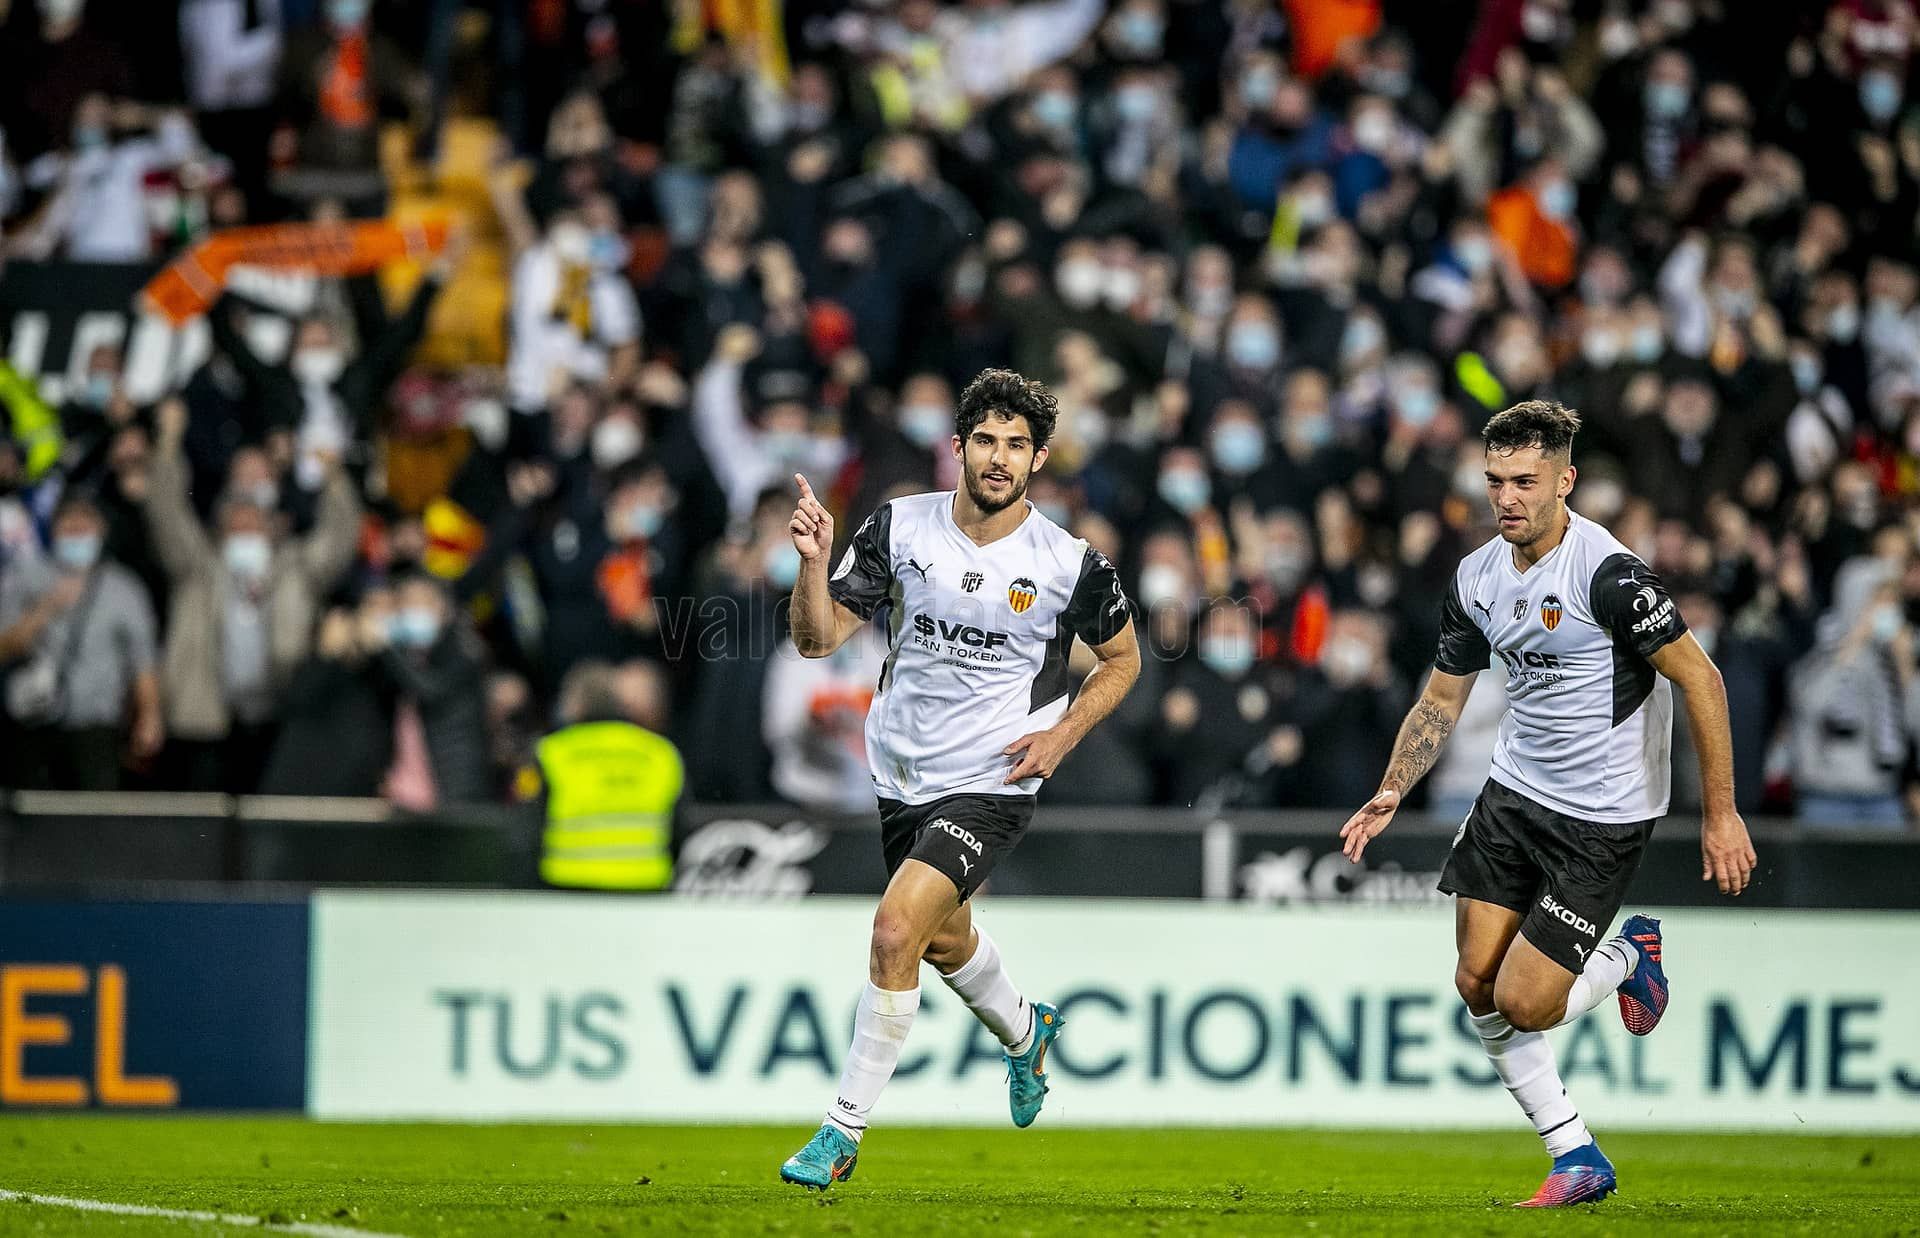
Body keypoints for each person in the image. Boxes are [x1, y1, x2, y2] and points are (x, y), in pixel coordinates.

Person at [1335, 400, 1757, 1207]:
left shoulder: (1611, 575)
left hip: (1602, 812)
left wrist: (1721, 812)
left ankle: (1632, 954)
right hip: (1513, 794)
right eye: (1495, 480)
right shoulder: (1477, 576)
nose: (1507, 498)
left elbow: (1701, 678)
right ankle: (1576, 1156)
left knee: (1525, 1002)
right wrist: (1394, 785)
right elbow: (1439, 700)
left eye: (1525, 481)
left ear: (1565, 481)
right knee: (1474, 983)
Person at [777, 368, 1140, 1189]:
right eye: (986, 440)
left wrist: (1064, 735)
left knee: (895, 932)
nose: (1000, 457)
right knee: (943, 940)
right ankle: (1026, 1030)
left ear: (1039, 458)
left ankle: (840, 1133)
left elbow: (1124, 661)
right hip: (900, 772)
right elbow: (816, 639)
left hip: (996, 776)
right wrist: (813, 563)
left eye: (1017, 444)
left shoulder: (1066, 562)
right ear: (958, 448)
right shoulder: (901, 527)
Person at [518, 660, 683, 890]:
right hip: (644, 890)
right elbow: (679, 829)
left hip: (568, 889)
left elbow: (526, 832)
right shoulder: (661, 753)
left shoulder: (549, 752)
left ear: (575, 704)